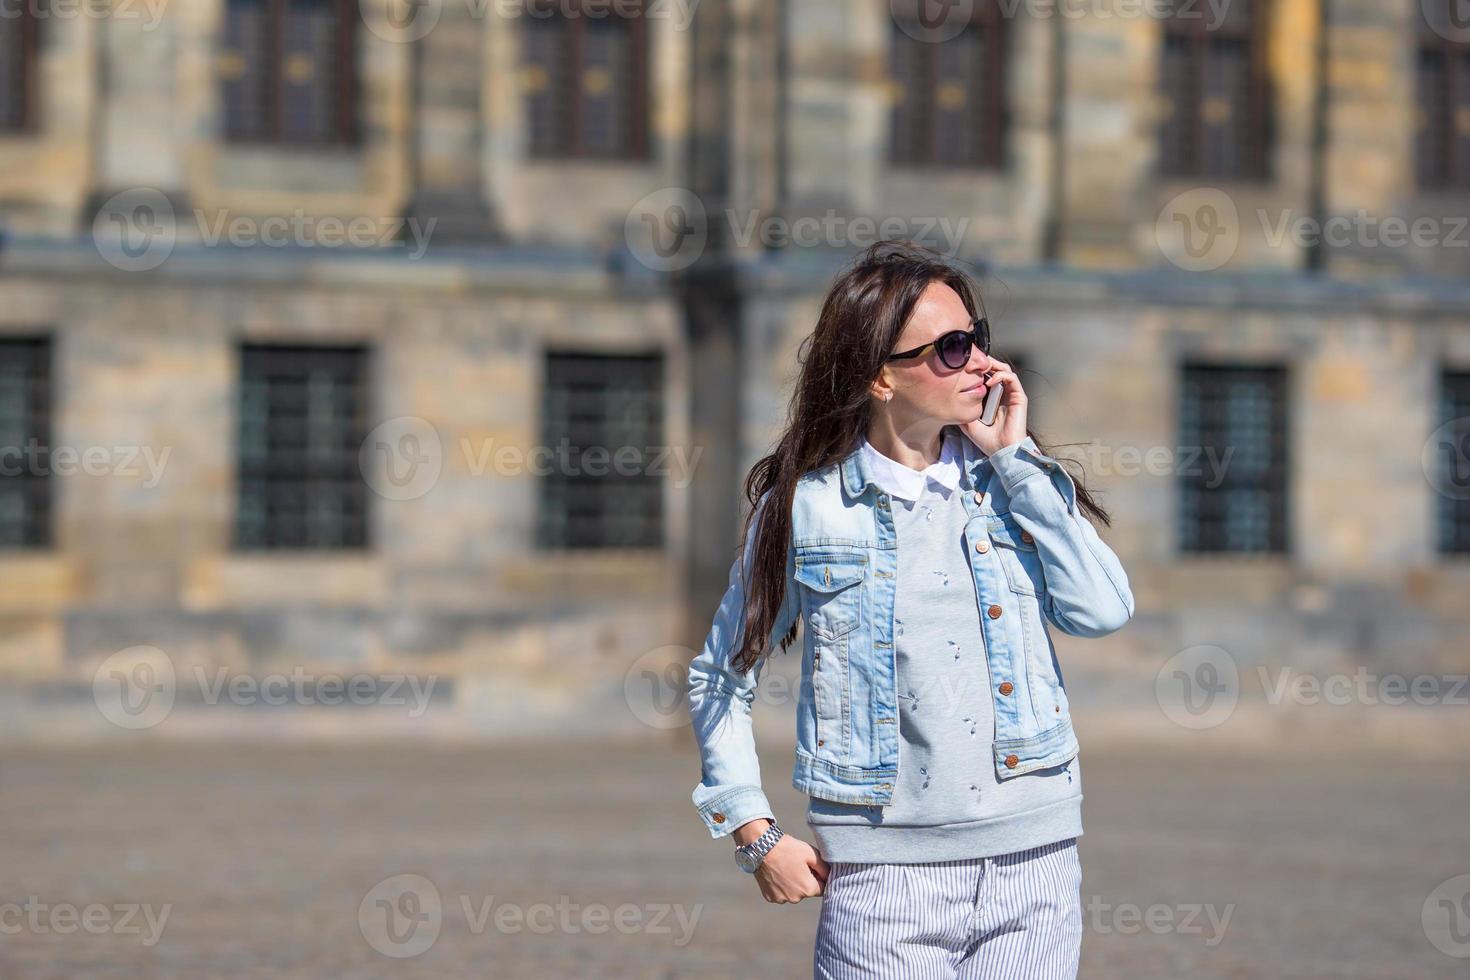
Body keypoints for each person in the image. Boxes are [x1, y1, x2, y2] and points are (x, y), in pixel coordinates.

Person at [687, 239, 1135, 979]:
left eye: (978, 339)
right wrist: (755, 833)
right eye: (952, 349)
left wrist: (1018, 463)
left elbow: (1102, 610)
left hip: (1035, 864)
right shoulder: (806, 508)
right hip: (884, 882)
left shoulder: (1009, 485)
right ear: (879, 378)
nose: (984, 364)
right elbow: (720, 678)